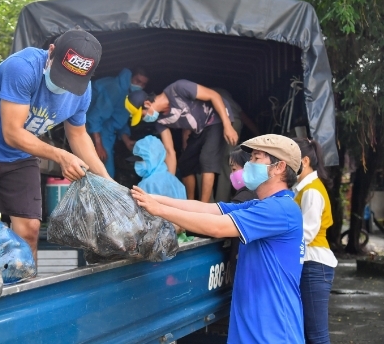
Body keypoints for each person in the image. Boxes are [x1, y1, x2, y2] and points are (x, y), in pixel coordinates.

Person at [0, 28, 110, 261]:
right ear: (51, 52)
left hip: (19, 156)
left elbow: (78, 136)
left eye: (72, 82)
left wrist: (108, 184)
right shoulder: (23, 67)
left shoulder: (82, 91)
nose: (64, 87)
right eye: (60, 76)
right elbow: (13, 133)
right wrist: (61, 156)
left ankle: (26, 290)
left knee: (29, 231)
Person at [131, 134, 305, 343]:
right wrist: (151, 198)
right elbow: (209, 209)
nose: (249, 164)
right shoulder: (261, 205)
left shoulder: (280, 209)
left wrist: (159, 210)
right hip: (254, 328)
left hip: (273, 331)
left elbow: (216, 227)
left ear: (279, 167)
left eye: (256, 158)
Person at [125, 80, 238, 202]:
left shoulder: (178, 89)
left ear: (147, 103)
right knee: (185, 162)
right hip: (199, 129)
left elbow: (213, 95)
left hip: (217, 118)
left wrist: (227, 125)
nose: (145, 118)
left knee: (206, 158)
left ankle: (203, 207)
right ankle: (189, 202)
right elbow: (169, 150)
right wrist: (168, 181)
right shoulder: (160, 122)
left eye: (142, 115)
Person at [293, 137, 337, 344]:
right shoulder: (305, 188)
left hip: (315, 264)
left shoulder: (311, 191)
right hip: (312, 264)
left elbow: (307, 234)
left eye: (291, 160)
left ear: (305, 161)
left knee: (317, 335)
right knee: (311, 334)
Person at [86, 67, 149, 177]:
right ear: (130, 77)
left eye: (143, 84)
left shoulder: (129, 95)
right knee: (104, 168)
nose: (139, 86)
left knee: (107, 168)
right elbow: (94, 117)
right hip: (89, 125)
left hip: (105, 129)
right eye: (137, 81)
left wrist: (127, 140)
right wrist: (99, 145)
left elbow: (119, 120)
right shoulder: (114, 88)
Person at [226, 146, 257, 282]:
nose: (232, 174)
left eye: (234, 169)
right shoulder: (256, 195)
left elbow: (219, 223)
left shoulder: (245, 197)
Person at [129, 135, 187, 200]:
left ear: (152, 159)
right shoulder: (176, 182)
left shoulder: (146, 185)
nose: (137, 164)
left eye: (140, 160)